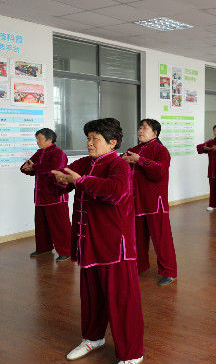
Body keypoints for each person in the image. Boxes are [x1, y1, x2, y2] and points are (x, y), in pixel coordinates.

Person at [50, 118, 144, 364]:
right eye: (88, 138)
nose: (90, 143)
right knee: (91, 296)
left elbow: (116, 191)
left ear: (112, 143)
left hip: (114, 244)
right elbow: (65, 177)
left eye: (95, 139)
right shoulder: (84, 163)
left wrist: (79, 181)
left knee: (122, 300)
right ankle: (93, 338)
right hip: (88, 241)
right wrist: (59, 179)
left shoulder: (118, 165)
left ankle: (132, 353)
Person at [123, 119, 177, 286]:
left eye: (145, 128)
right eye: (139, 128)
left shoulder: (161, 150)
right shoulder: (133, 149)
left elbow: (159, 172)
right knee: (138, 238)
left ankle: (169, 272)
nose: (140, 131)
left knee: (161, 239)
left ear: (155, 133)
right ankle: (140, 266)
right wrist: (123, 161)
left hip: (155, 202)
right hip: (136, 201)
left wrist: (140, 160)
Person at [20, 128, 71, 261]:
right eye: (36, 139)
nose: (37, 141)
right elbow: (27, 166)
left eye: (39, 139)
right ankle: (44, 248)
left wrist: (34, 167)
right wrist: (26, 168)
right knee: (41, 225)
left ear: (49, 140)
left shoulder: (58, 153)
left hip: (55, 195)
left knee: (60, 225)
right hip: (40, 196)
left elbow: (54, 168)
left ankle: (66, 250)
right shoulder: (39, 153)